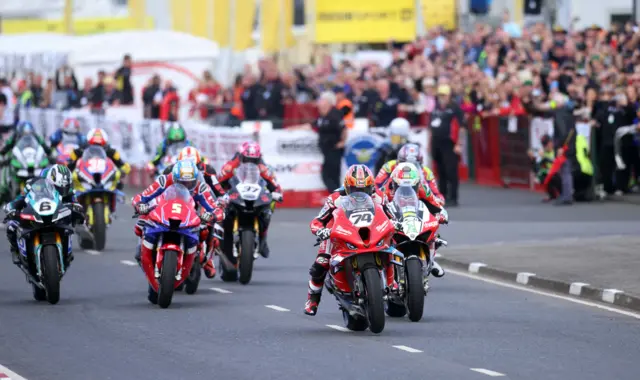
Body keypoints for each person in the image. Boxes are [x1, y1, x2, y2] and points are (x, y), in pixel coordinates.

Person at [304, 164, 401, 316]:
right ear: (347, 187)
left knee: (392, 246)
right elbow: (317, 221)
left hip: (370, 230)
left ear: (371, 187)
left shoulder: (380, 197)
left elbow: (393, 215)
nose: (360, 193)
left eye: (364, 190)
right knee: (321, 262)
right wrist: (321, 230)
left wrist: (397, 222)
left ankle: (391, 283)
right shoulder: (335, 199)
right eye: (355, 190)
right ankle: (313, 299)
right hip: (338, 231)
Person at [132, 160, 224, 269]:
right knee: (142, 221)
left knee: (205, 230)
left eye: (190, 183)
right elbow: (142, 196)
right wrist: (139, 205)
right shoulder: (164, 180)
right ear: (175, 179)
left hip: (189, 217)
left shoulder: (201, 187)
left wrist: (212, 216)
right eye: (182, 182)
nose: (185, 186)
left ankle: (203, 257)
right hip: (165, 212)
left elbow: (216, 209)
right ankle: (143, 247)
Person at [161, 146, 226, 278]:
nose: (190, 168)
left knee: (212, 225)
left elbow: (218, 189)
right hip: (177, 201)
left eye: (195, 165)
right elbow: (160, 187)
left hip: (199, 201)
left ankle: (209, 259)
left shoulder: (208, 170)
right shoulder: (170, 169)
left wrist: (221, 199)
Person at [4, 165, 85, 265]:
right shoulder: (35, 185)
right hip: (37, 216)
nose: (62, 190)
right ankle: (15, 249)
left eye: (65, 187)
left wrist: (78, 209)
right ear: (50, 182)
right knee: (11, 226)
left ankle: (65, 251)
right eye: (58, 187)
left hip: (59, 219)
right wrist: (12, 207)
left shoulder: (70, 191)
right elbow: (20, 198)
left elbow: (76, 204)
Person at [381, 162, 448, 278]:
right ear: (394, 183)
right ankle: (383, 264)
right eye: (401, 187)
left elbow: (435, 205)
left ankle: (431, 260)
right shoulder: (386, 190)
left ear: (417, 183)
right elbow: (376, 206)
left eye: (412, 187)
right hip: (394, 218)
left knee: (434, 234)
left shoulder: (423, 188)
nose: (407, 191)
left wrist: (441, 215)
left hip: (415, 215)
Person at [217, 141, 283, 258]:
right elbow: (218, 183)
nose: (250, 163)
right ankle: (217, 237)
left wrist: (277, 193)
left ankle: (263, 235)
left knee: (271, 203)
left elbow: (275, 185)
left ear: (259, 159)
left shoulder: (263, 168)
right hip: (235, 195)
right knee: (219, 209)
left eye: (254, 160)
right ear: (241, 156)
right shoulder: (230, 166)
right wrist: (220, 194)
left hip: (255, 196)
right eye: (247, 159)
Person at [301, 91, 346, 192]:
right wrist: (294, 128)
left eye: (322, 101)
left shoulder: (335, 114)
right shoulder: (322, 116)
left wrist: (342, 142)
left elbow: (343, 128)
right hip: (327, 150)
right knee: (326, 175)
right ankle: (336, 196)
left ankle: (338, 196)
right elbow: (312, 125)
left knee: (332, 175)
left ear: (328, 102)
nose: (319, 104)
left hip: (334, 148)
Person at [429, 85, 466, 207]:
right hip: (437, 142)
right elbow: (430, 127)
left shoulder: (455, 108)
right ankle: (442, 195)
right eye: (440, 95)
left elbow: (462, 127)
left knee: (451, 171)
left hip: (449, 143)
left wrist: (458, 144)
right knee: (440, 170)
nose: (442, 98)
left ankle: (453, 197)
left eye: (444, 95)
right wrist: (430, 144)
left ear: (449, 96)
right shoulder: (435, 108)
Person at [375, 143, 445, 205]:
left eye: (414, 165)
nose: (408, 169)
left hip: (417, 203)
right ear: (398, 162)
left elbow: (436, 194)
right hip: (392, 201)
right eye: (404, 164)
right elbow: (376, 186)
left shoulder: (426, 171)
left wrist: (438, 200)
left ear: (420, 164)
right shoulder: (389, 166)